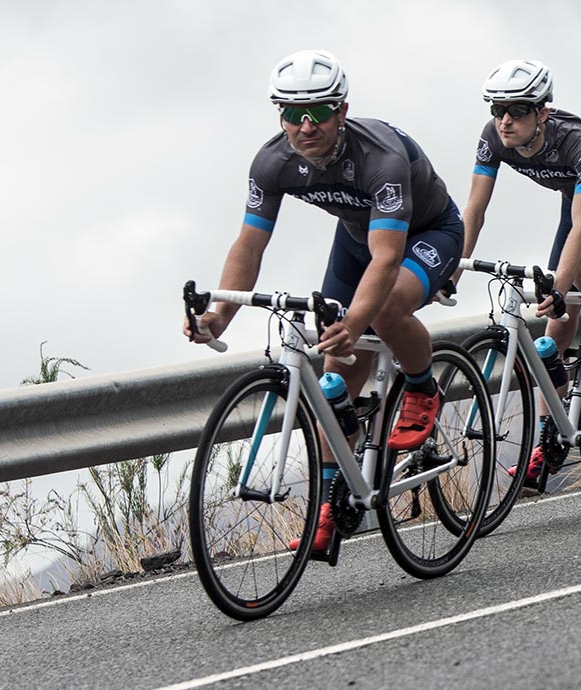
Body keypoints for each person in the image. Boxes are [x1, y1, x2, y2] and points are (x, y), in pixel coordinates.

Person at [183, 49, 463, 549]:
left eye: (318, 112)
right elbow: (249, 244)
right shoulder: (272, 162)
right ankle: (334, 502)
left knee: (385, 308)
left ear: (342, 112)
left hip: (427, 233)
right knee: (335, 372)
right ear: (281, 117)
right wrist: (219, 314)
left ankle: (422, 388)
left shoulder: (382, 157)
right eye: (292, 114)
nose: (305, 125)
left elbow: (387, 257)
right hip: (356, 239)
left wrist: (357, 320)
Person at [460, 59, 581, 485]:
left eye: (517, 111)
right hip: (576, 207)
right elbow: (474, 209)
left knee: (579, 270)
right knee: (554, 331)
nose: (504, 121)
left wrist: (559, 286)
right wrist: (452, 272)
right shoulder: (494, 137)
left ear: (542, 112)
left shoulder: (578, 141)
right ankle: (548, 442)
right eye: (497, 110)